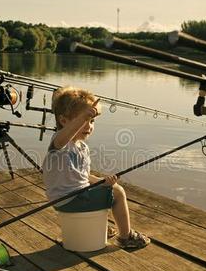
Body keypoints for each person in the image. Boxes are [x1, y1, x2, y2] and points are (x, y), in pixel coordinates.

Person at [42, 86, 150, 249]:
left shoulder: (82, 148)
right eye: (84, 121)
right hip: (69, 199)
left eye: (92, 121)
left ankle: (97, 228)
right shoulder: (60, 143)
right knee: (118, 193)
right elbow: (63, 138)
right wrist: (84, 117)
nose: (89, 126)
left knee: (108, 188)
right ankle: (126, 237)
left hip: (75, 197)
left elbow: (82, 177)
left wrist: (101, 181)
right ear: (64, 121)